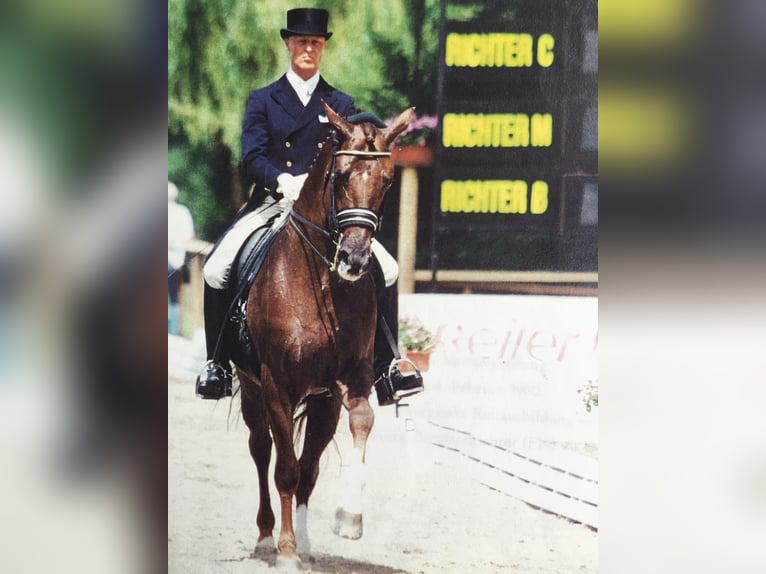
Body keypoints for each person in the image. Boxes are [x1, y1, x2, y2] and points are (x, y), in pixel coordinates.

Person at [195, 8, 424, 406]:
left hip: (325, 213)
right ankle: (216, 364)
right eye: (301, 41)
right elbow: (251, 157)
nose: (308, 49)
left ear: (322, 48)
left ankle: (388, 366)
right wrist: (282, 180)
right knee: (216, 267)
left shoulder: (340, 101)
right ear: (288, 44)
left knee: (388, 268)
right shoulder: (263, 100)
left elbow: (353, 160)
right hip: (273, 201)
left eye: (315, 43)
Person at [168, 181, 195, 335]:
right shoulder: (182, 212)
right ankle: (172, 335)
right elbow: (189, 236)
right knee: (174, 298)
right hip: (176, 260)